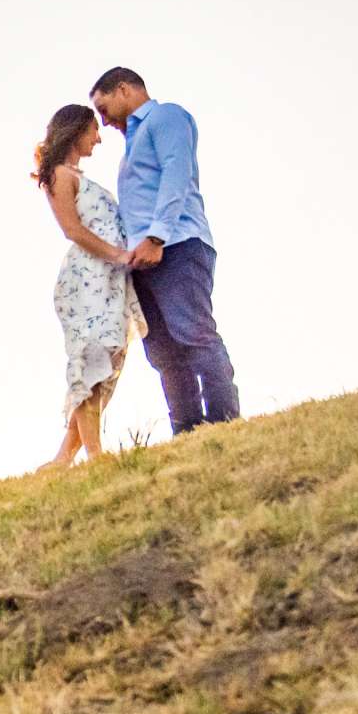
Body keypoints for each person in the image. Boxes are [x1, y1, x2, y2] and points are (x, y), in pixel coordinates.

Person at [90, 68, 239, 433]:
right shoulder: (131, 144)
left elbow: (177, 172)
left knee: (194, 334)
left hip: (178, 245)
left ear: (124, 89)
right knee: (163, 352)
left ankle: (224, 421)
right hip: (144, 261)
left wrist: (157, 237)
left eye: (104, 107)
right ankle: (187, 430)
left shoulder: (166, 116)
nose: (103, 121)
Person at [32, 103, 146, 471]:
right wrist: (117, 254)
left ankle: (63, 458)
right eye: (93, 130)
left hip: (108, 279)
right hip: (89, 279)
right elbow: (73, 230)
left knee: (106, 364)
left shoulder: (77, 175)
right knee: (92, 361)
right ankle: (95, 456)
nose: (98, 138)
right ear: (76, 130)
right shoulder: (60, 175)